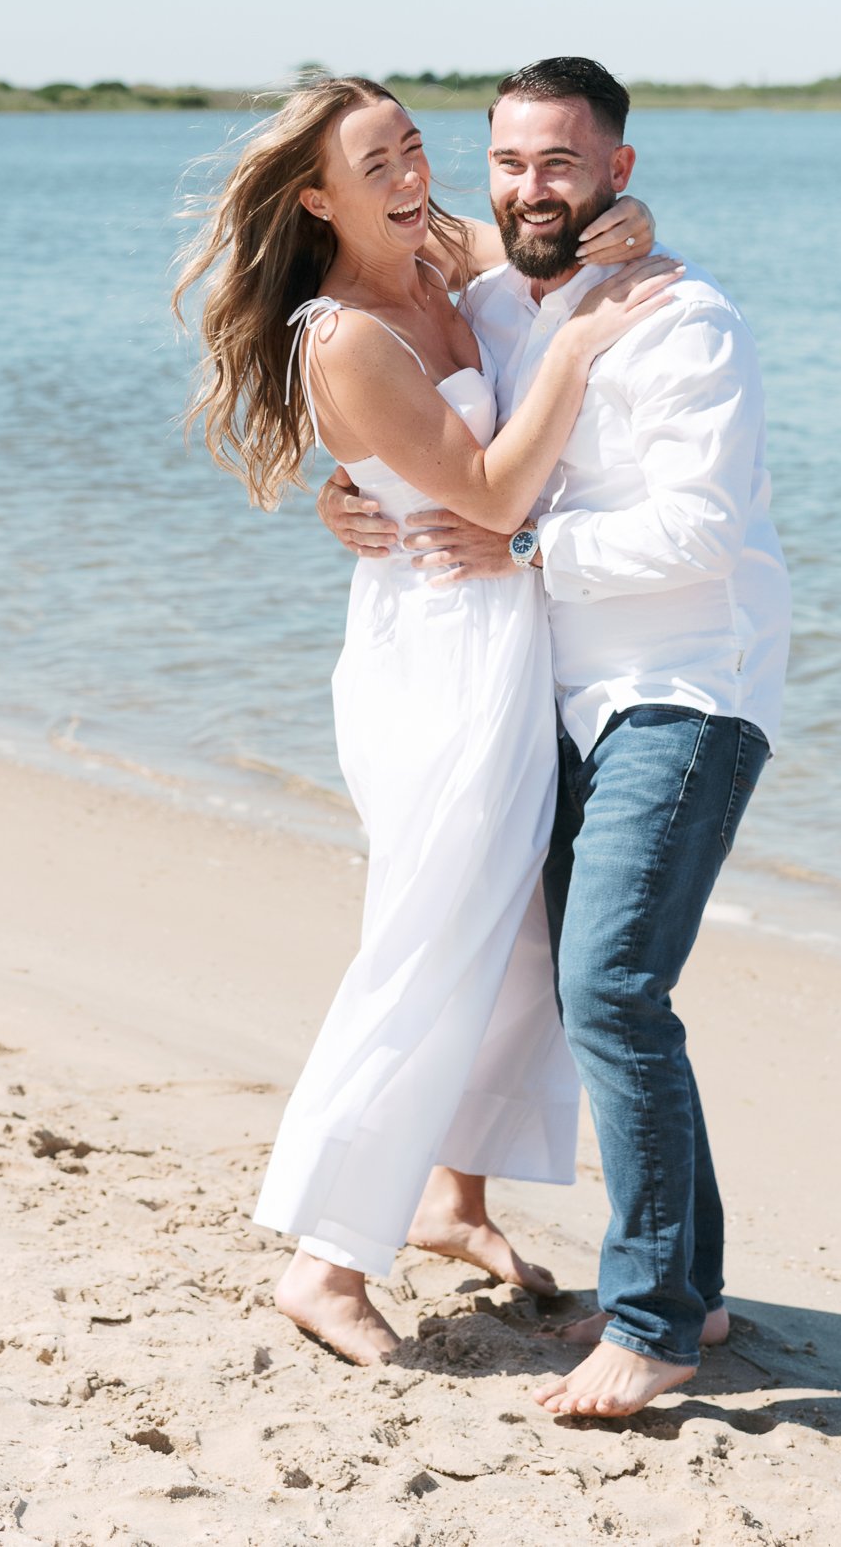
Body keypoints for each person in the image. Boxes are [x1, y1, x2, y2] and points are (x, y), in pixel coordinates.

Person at [175, 76, 677, 1365]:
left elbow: (564, 233)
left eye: (412, 147)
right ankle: (327, 1261)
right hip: (437, 655)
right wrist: (582, 341)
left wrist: (623, 232)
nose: (410, 177)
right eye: (374, 164)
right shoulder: (341, 333)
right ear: (314, 197)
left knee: (515, 936)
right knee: (430, 940)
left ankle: (453, 1206)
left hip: (504, 639)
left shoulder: (437, 256)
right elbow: (498, 500)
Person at [320, 55, 791, 1416]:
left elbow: (701, 532)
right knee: (612, 991)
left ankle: (645, 1324)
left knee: (614, 993)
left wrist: (527, 542)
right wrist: (339, 501)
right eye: (514, 163)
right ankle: (690, 1290)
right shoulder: (485, 301)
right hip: (555, 700)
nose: (535, 187)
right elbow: (420, 428)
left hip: (686, 691)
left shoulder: (682, 319)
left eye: (564, 165)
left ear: (617, 176)